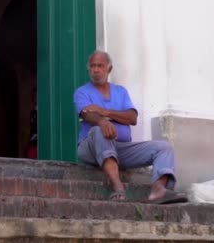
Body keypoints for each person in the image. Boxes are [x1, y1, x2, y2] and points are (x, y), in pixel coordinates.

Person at [74, 50, 188, 204]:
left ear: (109, 69)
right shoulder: (82, 92)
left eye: (100, 66)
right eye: (93, 66)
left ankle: (158, 190)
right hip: (90, 148)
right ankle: (118, 188)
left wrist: (105, 112)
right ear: (89, 69)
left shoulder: (120, 92)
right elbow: (87, 114)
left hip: (121, 149)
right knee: (99, 131)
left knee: (164, 147)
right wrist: (102, 121)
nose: (96, 70)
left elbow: (132, 118)